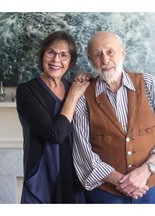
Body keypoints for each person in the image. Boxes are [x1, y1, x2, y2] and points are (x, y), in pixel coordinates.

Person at [72, 31, 155, 204]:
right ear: (92, 62)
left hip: (150, 188)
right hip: (107, 193)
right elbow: (83, 152)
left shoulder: (149, 84)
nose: (105, 60)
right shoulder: (84, 95)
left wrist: (145, 171)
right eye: (98, 55)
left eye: (110, 52)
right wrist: (122, 182)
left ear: (123, 52)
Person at [16, 31, 90, 203]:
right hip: (42, 175)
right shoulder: (27, 91)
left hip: (73, 174)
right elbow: (55, 134)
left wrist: (87, 79)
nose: (56, 60)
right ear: (43, 55)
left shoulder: (74, 86)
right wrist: (72, 96)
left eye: (64, 55)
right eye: (51, 52)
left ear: (70, 61)